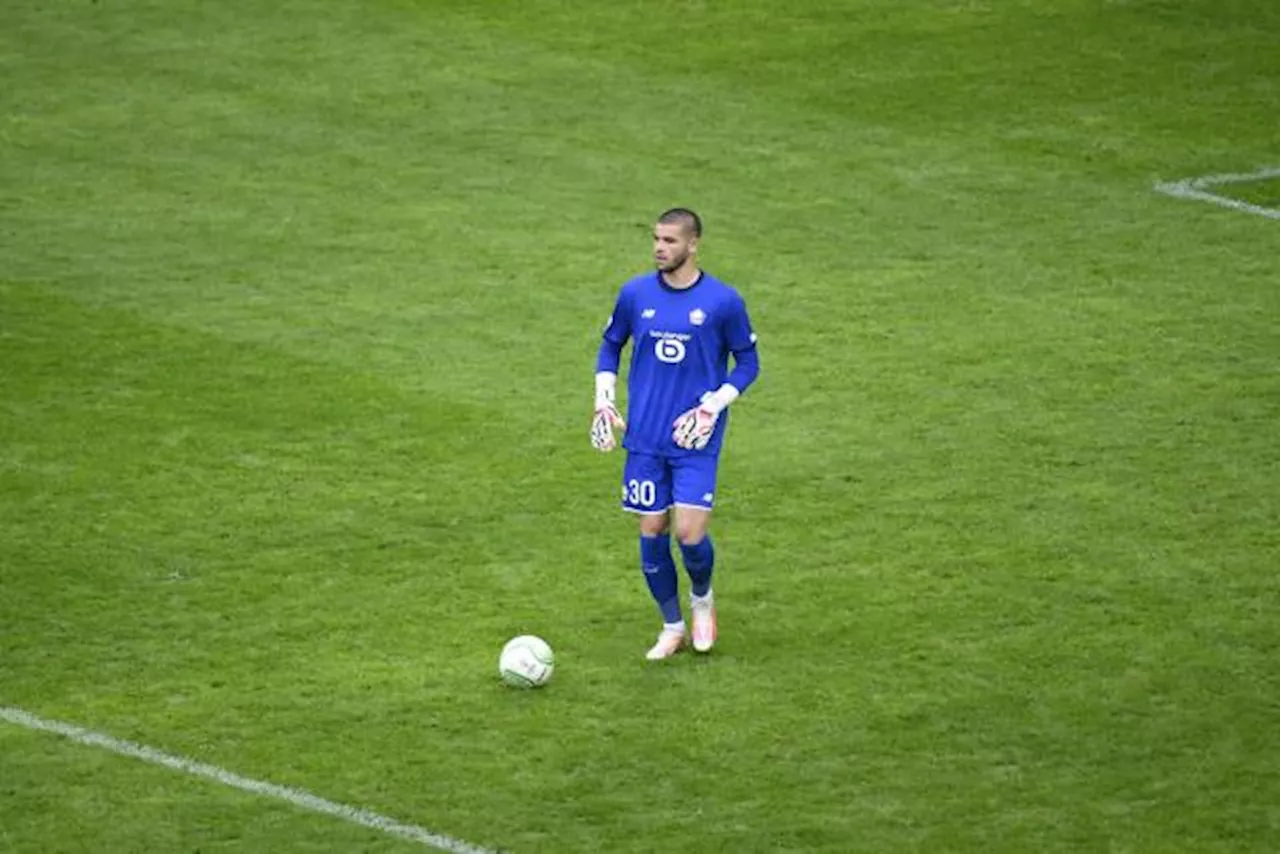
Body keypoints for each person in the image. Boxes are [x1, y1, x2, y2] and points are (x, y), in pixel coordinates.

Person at [591, 208, 761, 660]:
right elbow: (611, 345)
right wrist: (603, 397)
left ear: (693, 245)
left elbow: (748, 363)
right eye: (656, 239)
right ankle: (672, 626)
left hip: (694, 438)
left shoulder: (724, 302)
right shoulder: (635, 293)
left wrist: (713, 405)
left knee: (688, 534)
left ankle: (702, 600)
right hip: (644, 437)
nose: (659, 248)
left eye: (669, 241)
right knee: (651, 530)